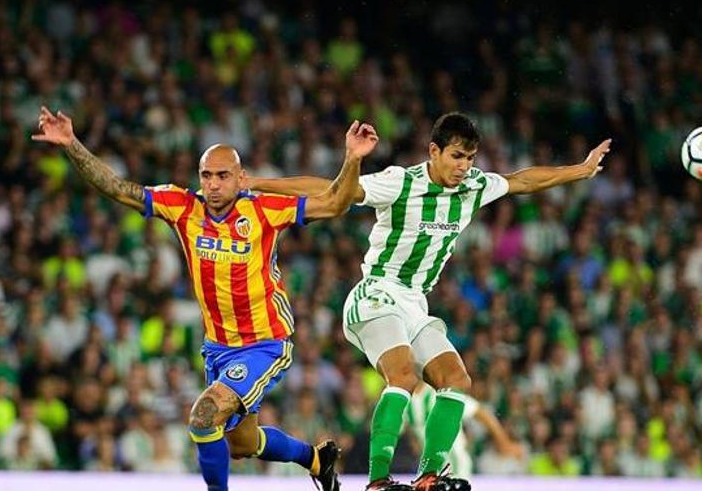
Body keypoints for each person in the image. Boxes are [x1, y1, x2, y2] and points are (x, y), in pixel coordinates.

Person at [249, 112, 611, 490]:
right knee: (403, 375)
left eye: (470, 158)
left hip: (413, 303)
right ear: (433, 151)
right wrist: (258, 183)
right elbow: (326, 189)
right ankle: (378, 480)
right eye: (456, 156)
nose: (463, 167)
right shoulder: (400, 182)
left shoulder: (474, 185)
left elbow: (522, 180)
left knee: (456, 379)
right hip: (375, 292)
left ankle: (430, 475)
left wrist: (580, 170)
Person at [32, 106, 380, 490]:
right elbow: (118, 188)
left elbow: (334, 203)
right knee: (242, 444)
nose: (213, 184)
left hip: (264, 342)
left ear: (240, 178)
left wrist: (352, 159)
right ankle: (317, 459)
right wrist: (71, 144)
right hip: (218, 347)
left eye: (223, 176)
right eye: (207, 176)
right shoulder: (183, 208)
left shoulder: (264, 210)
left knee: (204, 416)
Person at [407, 383, 523, 480]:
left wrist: (503, 442)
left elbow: (479, 411)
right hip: (430, 471)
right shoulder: (406, 400)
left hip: (455, 468)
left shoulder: (440, 394)